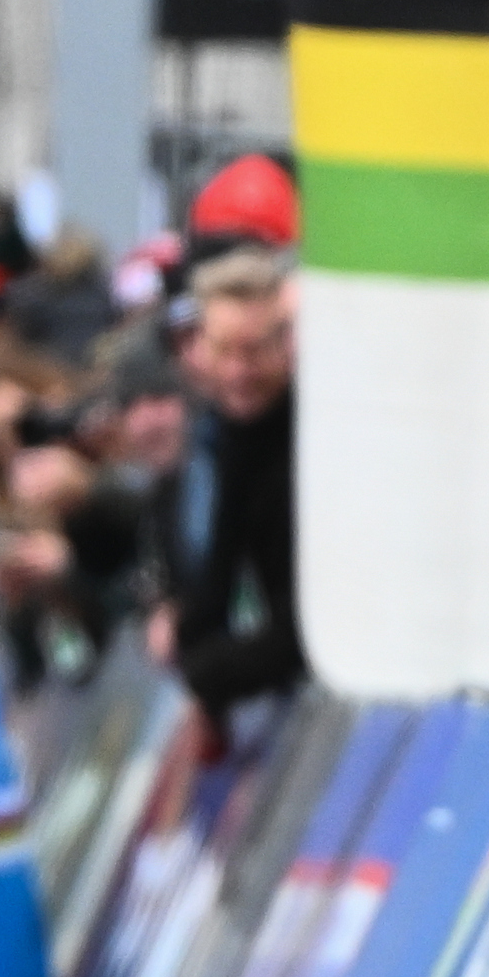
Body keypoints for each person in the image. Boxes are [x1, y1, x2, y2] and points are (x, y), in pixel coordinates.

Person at [154, 247, 304, 735]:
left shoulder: (313, 450)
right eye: (225, 351)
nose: (239, 373)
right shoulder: (205, 445)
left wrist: (207, 677)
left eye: (255, 351)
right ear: (199, 348)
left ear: (286, 344)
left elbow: (304, 624)